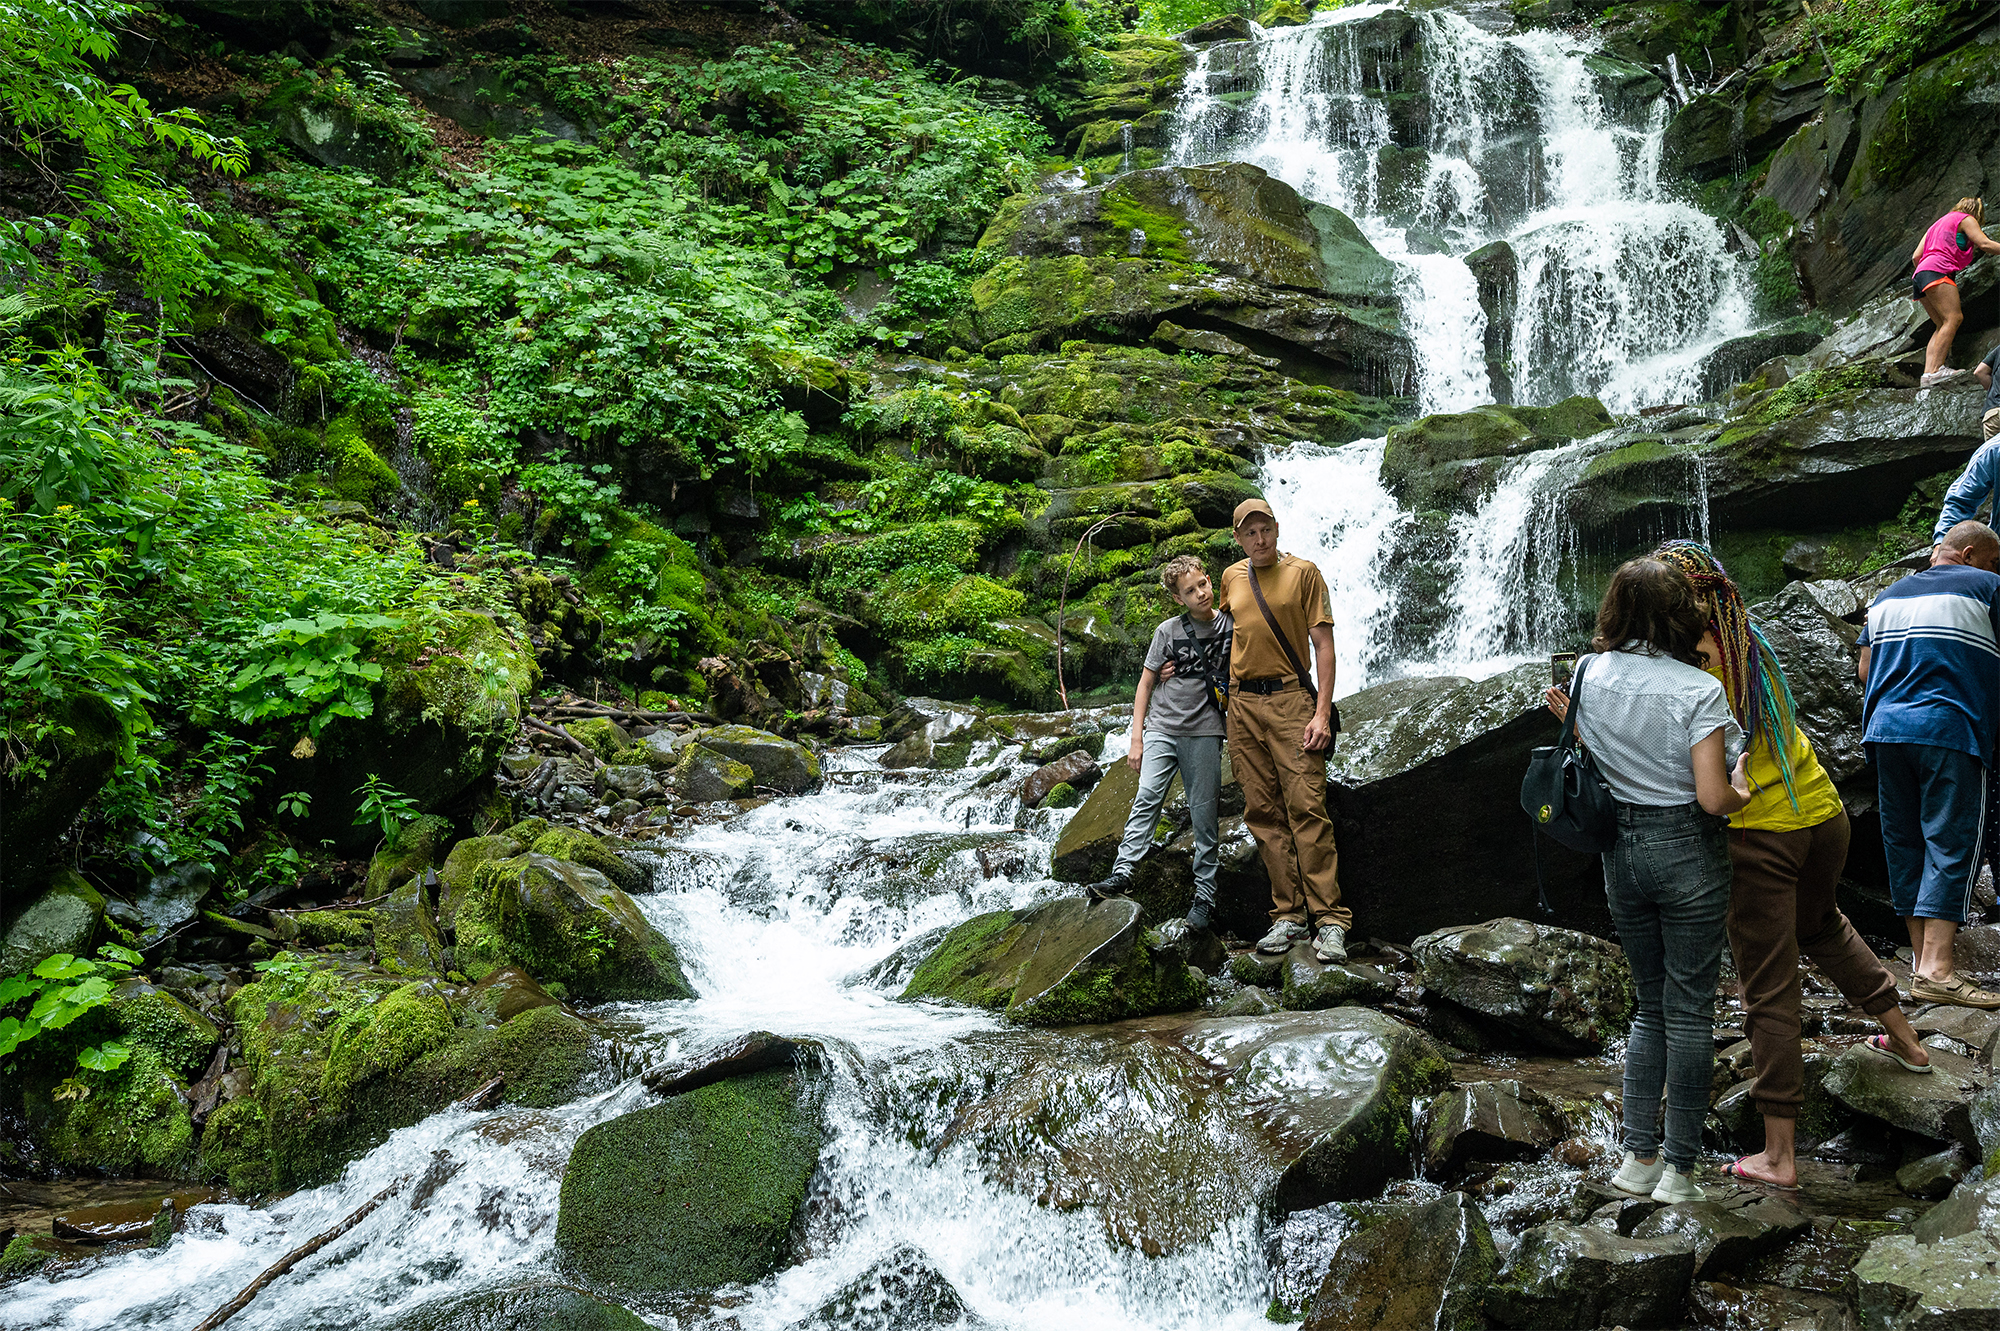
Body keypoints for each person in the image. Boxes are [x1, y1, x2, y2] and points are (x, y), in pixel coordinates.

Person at [1651, 542, 1931, 1191]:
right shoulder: (1742, 637)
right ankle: (1910, 1045)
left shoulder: (1684, 660)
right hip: (1821, 811)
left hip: (1761, 834)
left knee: (1768, 986)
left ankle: (1779, 1155)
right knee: (1824, 925)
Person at [1542, 557, 1750, 1204]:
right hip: (1686, 848)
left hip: (1619, 855)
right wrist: (1744, 787)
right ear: (1677, 614)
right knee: (1690, 1010)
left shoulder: (1585, 671)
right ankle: (1680, 1173)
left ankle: (1636, 1158)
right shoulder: (1698, 690)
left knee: (1647, 1004)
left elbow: (1595, 750)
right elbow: (1713, 797)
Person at [1856, 520, 2000, 1010]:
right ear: (1970, 553)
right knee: (1951, 838)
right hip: (1948, 729)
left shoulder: (1886, 596)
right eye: (1993, 560)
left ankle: (1921, 965)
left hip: (1885, 731)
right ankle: (1939, 970)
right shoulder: (1988, 586)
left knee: (1905, 841)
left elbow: (1864, 670)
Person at [1218, 498, 1350, 963]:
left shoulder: (1304, 573)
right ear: (1238, 538)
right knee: (1263, 813)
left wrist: (1320, 713)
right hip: (1242, 706)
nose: (1259, 539)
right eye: (1249, 533)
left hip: (1292, 701)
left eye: (1265, 530)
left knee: (1307, 808)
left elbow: (1324, 647)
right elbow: (1221, 638)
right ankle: (1288, 917)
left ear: (1276, 528)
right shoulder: (1232, 578)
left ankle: (1331, 921)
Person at [1087, 555, 1232, 930]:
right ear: (1177, 598)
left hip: (1205, 730)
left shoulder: (1231, 625)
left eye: (1202, 584)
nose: (1200, 593)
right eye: (1190, 591)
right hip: (1162, 728)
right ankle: (1123, 873)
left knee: (1204, 815)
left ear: (1209, 580)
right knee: (1147, 795)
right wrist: (1136, 738)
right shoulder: (1168, 631)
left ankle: (1204, 897)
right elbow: (1146, 683)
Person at [1909, 198, 2000, 386]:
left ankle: (1927, 375)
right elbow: (1984, 244)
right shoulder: (1966, 219)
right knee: (1954, 318)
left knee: (1941, 324)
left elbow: (1916, 256)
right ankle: (1936, 370)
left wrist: (1927, 270)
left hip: (1920, 274)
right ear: (1977, 213)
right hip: (1938, 270)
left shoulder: (1936, 225)